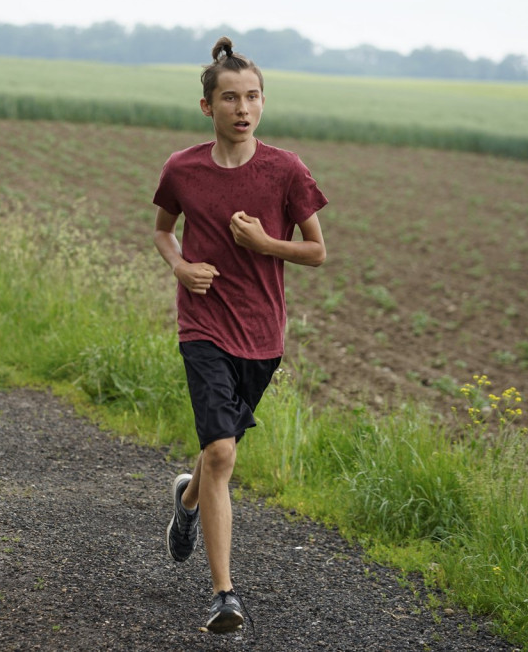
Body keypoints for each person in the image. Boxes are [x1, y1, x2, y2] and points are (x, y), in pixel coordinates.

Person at [153, 36, 328, 634]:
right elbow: (161, 231)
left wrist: (264, 245)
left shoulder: (286, 169)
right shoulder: (182, 168)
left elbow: (317, 251)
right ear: (209, 107)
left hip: (262, 336)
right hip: (202, 326)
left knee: (215, 452)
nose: (243, 108)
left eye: (252, 96)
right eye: (230, 98)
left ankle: (186, 503)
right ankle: (224, 596)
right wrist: (180, 267)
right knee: (223, 452)